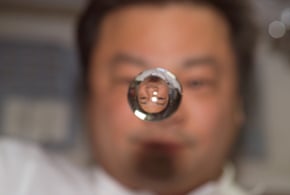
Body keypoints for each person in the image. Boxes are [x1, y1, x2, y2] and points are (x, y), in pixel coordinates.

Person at [0, 0, 257, 194]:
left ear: (238, 102)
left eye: (196, 82)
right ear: (87, 93)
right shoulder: (19, 179)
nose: (163, 112)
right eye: (132, 79)